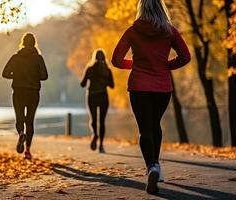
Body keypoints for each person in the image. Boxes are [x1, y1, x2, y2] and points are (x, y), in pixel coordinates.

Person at [112, 0, 190, 195]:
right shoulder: (169, 31)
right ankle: (156, 167)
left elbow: (116, 60)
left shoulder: (133, 31)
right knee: (155, 125)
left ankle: (152, 167)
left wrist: (136, 65)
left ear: (142, 8)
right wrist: (165, 66)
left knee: (145, 129)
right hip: (162, 87)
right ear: (160, 8)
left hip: (139, 86)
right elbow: (185, 57)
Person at [2, 33, 48, 159]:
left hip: (18, 91)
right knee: (30, 121)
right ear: (34, 44)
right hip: (33, 93)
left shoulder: (15, 57)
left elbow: (4, 73)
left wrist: (16, 76)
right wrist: (34, 76)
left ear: (22, 43)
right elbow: (44, 76)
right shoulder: (38, 58)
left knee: (19, 118)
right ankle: (27, 151)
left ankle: (21, 133)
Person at [81, 49, 114, 153]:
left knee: (94, 119)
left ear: (94, 57)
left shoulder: (90, 69)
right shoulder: (107, 70)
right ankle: (101, 146)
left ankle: (95, 134)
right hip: (103, 96)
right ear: (104, 57)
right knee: (102, 121)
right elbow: (112, 85)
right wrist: (104, 81)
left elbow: (82, 84)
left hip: (92, 96)